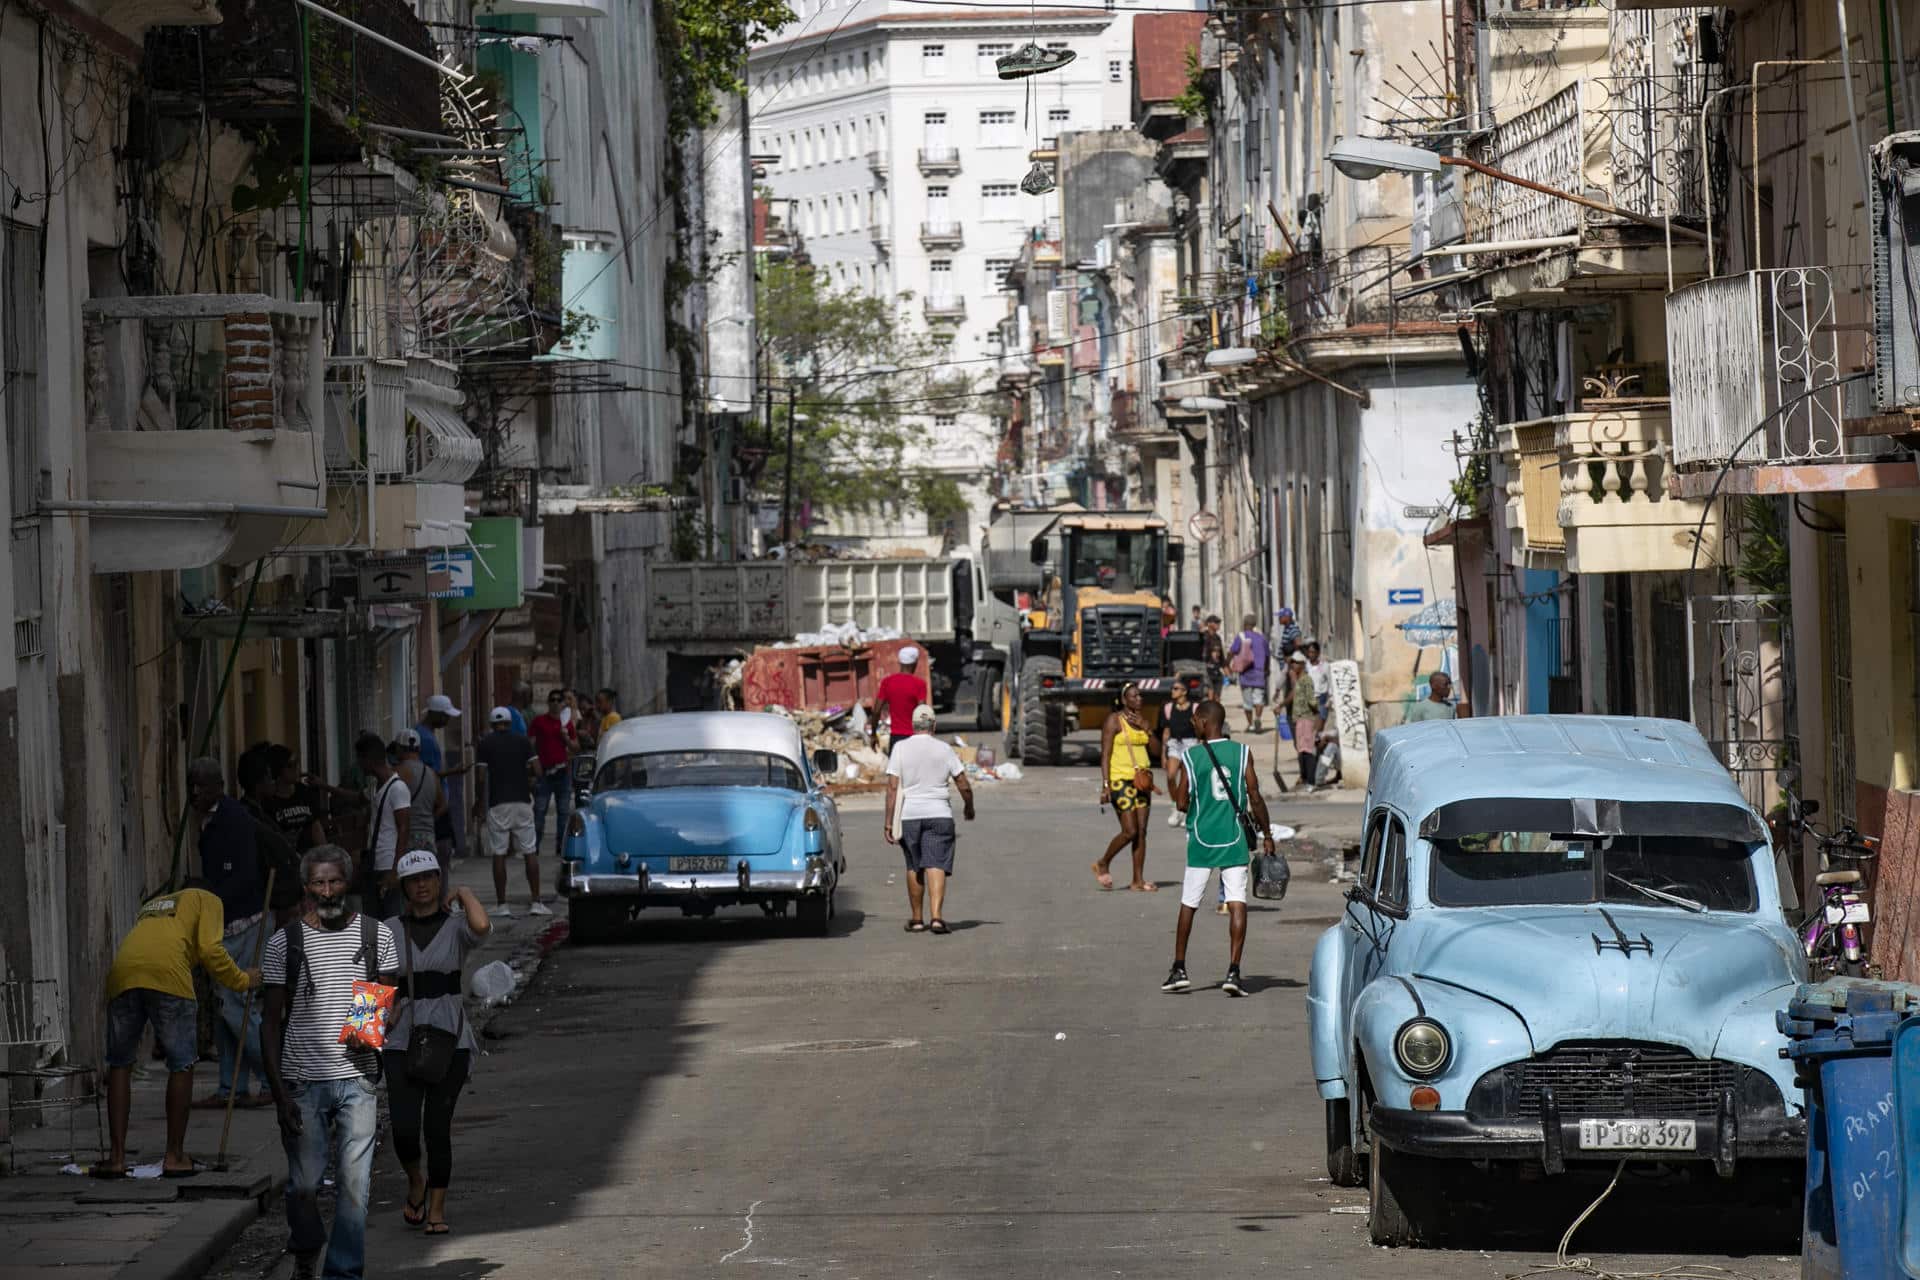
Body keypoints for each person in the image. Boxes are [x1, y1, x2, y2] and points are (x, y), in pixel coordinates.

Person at [261, 846, 401, 1280]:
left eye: (335, 881)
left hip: (357, 1081)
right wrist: (279, 1095)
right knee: (303, 1188)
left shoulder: (376, 935)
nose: (327, 890)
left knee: (355, 1188)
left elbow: (388, 999)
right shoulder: (285, 942)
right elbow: (269, 1024)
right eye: (319, 883)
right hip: (302, 1082)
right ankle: (306, 1246)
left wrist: (370, 1028)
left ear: (349, 881)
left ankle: (342, 1274)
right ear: (307, 889)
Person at [99, 881, 260, 1178]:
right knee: (181, 1063)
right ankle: (174, 1156)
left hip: (123, 974)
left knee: (120, 1064)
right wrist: (242, 979)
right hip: (168, 974)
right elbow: (211, 949)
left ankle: (116, 1157)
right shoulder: (208, 898)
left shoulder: (152, 906)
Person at [384, 850, 491, 1236]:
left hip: (450, 1037)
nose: (423, 885)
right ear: (404, 888)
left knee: (437, 1127)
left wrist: (463, 891)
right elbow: (373, 982)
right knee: (404, 1127)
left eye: (430, 877)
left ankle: (437, 1209)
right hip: (400, 1039)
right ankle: (416, 1180)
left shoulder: (456, 926)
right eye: (414, 880)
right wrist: (361, 1036)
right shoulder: (389, 929)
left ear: (438, 880)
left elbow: (482, 926)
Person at [1163, 699, 1275, 996]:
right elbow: (1255, 795)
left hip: (1201, 838)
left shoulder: (1192, 756)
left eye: (1195, 721)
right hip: (1234, 837)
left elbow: (1181, 802)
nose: (1193, 725)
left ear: (1203, 721)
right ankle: (1234, 972)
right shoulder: (1242, 753)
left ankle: (1179, 969)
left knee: (1190, 902)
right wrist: (1267, 834)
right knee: (1237, 901)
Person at [190, 756, 269, 1109]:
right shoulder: (208, 818)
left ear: (215, 786)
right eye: (190, 785)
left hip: (243, 921)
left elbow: (243, 877)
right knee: (225, 1007)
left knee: (236, 1006)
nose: (193, 793)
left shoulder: (232, 819)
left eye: (199, 785)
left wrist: (210, 899)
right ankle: (230, 1087)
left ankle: (272, 1078)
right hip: (225, 922)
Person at [883, 704, 975, 934]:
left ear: (913, 726)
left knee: (914, 865)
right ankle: (936, 917)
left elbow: (892, 788)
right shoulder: (944, 749)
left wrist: (888, 821)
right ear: (934, 725)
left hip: (910, 815)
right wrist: (969, 807)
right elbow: (962, 782)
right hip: (939, 814)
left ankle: (916, 920)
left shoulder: (900, 748)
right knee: (936, 863)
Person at [475, 706, 544, 917]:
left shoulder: (485, 743)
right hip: (522, 801)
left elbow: (480, 777)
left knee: (499, 853)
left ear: (492, 724)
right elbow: (538, 770)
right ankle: (536, 902)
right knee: (529, 851)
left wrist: (479, 802)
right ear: (509, 722)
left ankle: (502, 904)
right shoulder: (523, 741)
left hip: (498, 803)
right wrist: (528, 780)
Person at [1093, 682, 1159, 892]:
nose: (1138, 699)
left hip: (1143, 781)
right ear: (1124, 700)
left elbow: (1157, 751)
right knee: (1129, 831)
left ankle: (1137, 880)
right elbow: (1105, 754)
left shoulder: (1143, 721)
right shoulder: (1114, 721)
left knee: (1141, 832)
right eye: (1134, 696)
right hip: (1120, 780)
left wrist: (1147, 729)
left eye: (1140, 695)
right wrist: (1106, 785)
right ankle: (1103, 862)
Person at [356, 731, 411, 918]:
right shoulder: (375, 788)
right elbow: (356, 797)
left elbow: (404, 829)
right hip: (375, 865)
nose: (359, 765)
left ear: (369, 760)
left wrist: (395, 871)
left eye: (360, 760)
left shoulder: (397, 788)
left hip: (388, 866)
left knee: (392, 921)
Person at [415, 694, 465, 864]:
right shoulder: (426, 739)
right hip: (435, 801)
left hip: (436, 800)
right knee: (442, 850)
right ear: (435, 714)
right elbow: (430, 775)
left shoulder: (424, 734)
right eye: (445, 716)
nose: (447, 720)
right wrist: (454, 771)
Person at [528, 688, 577, 858]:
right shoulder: (539, 722)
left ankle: (560, 847)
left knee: (563, 812)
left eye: (559, 700)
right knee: (539, 811)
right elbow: (531, 744)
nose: (555, 703)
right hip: (545, 774)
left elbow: (575, 747)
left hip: (562, 773)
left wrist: (566, 738)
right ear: (548, 703)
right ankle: (534, 847)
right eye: (552, 699)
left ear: (563, 703)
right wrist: (534, 767)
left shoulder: (567, 724)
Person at [394, 730, 449, 870]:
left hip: (407, 838)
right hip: (428, 838)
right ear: (419, 749)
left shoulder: (398, 772)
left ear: (399, 748)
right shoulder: (431, 773)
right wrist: (429, 818)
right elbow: (443, 804)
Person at [265, 745, 327, 853]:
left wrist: (325, 856)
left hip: (310, 856)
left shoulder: (304, 791)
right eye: (290, 765)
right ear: (278, 770)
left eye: (297, 763)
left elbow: (316, 828)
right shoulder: (269, 800)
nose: (296, 768)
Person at [870, 647, 930, 755]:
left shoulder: (887, 682)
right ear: (915, 663)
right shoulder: (919, 684)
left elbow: (876, 711)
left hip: (896, 738)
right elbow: (922, 713)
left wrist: (873, 734)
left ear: (900, 662)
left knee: (896, 771)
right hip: (914, 737)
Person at [1160, 681, 1198, 831]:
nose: (1172, 691)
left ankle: (1187, 810)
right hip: (1174, 744)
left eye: (1176, 689)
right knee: (1171, 776)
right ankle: (1176, 805)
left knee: (1186, 778)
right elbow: (1166, 732)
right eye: (1172, 688)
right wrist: (1163, 754)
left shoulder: (1195, 707)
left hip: (1191, 743)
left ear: (1184, 691)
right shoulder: (1168, 708)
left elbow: (1199, 728)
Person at [1228, 614, 1271, 734]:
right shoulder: (1262, 638)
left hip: (1245, 672)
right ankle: (1258, 718)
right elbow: (1267, 656)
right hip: (1259, 672)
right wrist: (1266, 669)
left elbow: (1232, 651)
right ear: (1254, 625)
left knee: (1247, 702)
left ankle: (1251, 725)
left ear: (1244, 624)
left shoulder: (1240, 637)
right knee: (1259, 699)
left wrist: (1227, 663)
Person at [1286, 654, 1321, 786]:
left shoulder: (1306, 680)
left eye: (1295, 663)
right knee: (1301, 749)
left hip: (1307, 718)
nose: (1293, 666)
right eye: (1292, 663)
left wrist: (1318, 714)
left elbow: (1311, 700)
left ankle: (1310, 781)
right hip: (1299, 719)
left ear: (1301, 664)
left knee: (1307, 749)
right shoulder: (1299, 680)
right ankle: (1305, 778)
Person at [1201, 615, 1227, 699]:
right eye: (1216, 622)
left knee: (1217, 696)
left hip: (1216, 669)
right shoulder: (1204, 636)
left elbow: (1221, 655)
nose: (1218, 624)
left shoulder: (1217, 638)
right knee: (1210, 692)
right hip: (1207, 669)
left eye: (1218, 622)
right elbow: (1203, 654)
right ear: (1209, 624)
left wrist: (1225, 666)